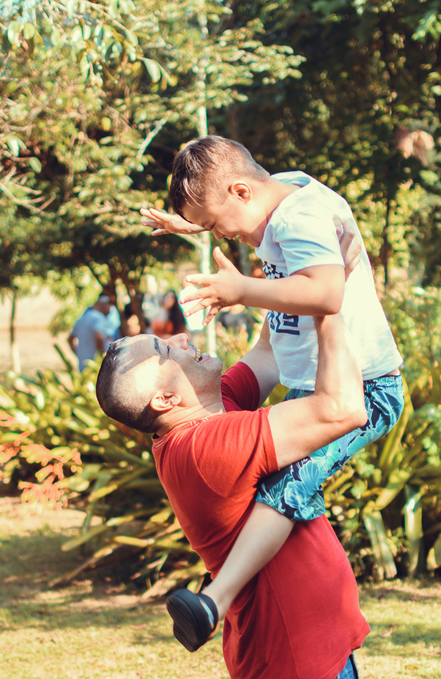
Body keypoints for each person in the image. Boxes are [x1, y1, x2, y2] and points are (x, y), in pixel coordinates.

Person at [139, 136, 404, 652]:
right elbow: (237, 192)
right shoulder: (285, 196)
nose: (222, 235)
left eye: (215, 223)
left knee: (287, 488)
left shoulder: (296, 219)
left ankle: (216, 600)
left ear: (241, 192)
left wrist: (242, 291)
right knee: (275, 482)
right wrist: (195, 222)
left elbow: (326, 294)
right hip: (313, 382)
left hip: (364, 388)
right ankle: (235, 593)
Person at [95, 309, 369, 679]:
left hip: (306, 669)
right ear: (164, 398)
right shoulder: (205, 447)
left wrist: (279, 262)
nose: (180, 337)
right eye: (164, 351)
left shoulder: (211, 408)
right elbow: (343, 409)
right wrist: (327, 306)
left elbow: (268, 351)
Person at [67, 294, 112, 371]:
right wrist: (101, 355)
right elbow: (99, 337)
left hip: (82, 365)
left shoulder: (81, 318)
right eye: (109, 307)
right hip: (95, 366)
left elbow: (70, 339)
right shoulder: (98, 318)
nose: (110, 311)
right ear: (104, 306)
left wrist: (79, 354)